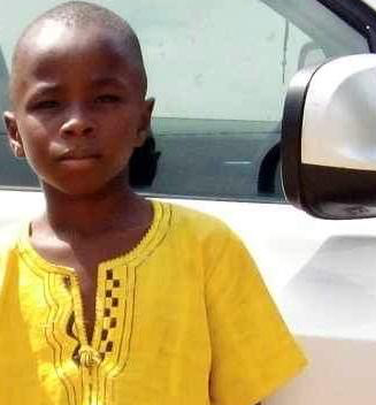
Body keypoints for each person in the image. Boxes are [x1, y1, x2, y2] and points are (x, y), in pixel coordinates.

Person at [0, 2, 306, 404]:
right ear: (15, 133)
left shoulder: (206, 249)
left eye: (104, 99)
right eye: (49, 104)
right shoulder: (5, 267)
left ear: (143, 120)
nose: (77, 122)